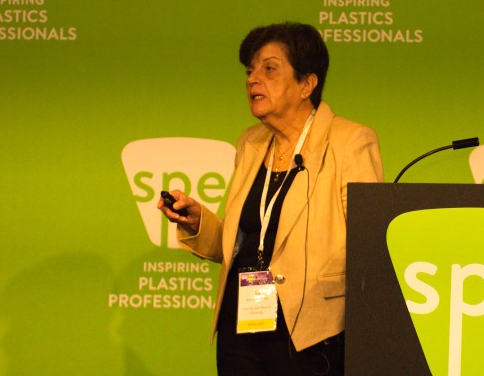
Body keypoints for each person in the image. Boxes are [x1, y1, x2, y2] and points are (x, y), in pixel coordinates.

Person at [159, 22, 383, 375]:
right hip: (242, 322)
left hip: (310, 329)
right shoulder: (250, 143)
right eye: (250, 71)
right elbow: (246, 241)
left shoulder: (348, 141)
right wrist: (198, 222)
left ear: (307, 83)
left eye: (269, 69)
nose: (253, 79)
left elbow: (366, 242)